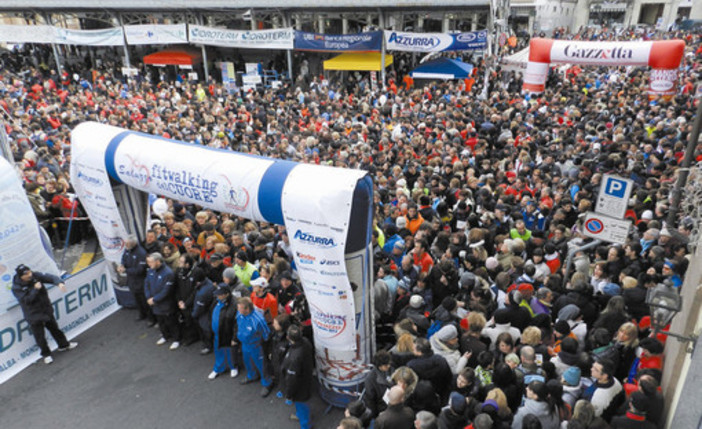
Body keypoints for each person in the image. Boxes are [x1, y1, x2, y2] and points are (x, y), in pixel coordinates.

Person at [12, 264, 77, 364]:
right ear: (21, 277)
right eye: (26, 274)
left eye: (29, 272)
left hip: (45, 310)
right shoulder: (16, 288)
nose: (30, 275)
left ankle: (64, 345)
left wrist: (59, 283)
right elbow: (27, 300)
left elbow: (50, 277)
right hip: (33, 314)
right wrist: (35, 289)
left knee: (55, 329)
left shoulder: (35, 275)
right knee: (40, 337)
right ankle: (46, 354)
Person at [236, 296, 273, 397]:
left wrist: (264, 347)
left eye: (240, 308)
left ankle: (267, 382)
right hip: (245, 344)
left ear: (247, 309)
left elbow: (266, 334)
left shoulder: (258, 320)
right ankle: (252, 375)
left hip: (256, 346)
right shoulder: (239, 314)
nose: (238, 310)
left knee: (262, 365)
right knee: (247, 361)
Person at [144, 252, 181, 350]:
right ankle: (165, 336)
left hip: (166, 304)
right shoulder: (150, 271)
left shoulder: (168, 273)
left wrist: (154, 299)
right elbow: (146, 284)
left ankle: (176, 339)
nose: (149, 264)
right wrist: (148, 297)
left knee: (171, 322)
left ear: (157, 261)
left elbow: (166, 291)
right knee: (161, 321)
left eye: (151, 262)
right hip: (155, 304)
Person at [282, 324, 314, 429]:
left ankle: (306, 425)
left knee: (301, 404)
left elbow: (292, 379)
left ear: (288, 338)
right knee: (302, 405)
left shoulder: (295, 357)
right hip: (306, 378)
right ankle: (300, 415)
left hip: (299, 386)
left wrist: (289, 394)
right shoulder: (306, 342)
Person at [118, 236, 154, 325]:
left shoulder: (141, 253)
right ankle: (142, 314)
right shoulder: (127, 249)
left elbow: (140, 270)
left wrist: (126, 270)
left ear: (133, 244)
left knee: (145, 301)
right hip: (132, 281)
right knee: (137, 299)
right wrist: (122, 265)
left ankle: (151, 319)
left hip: (140, 281)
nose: (125, 246)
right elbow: (123, 258)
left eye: (127, 244)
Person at [207, 285, 239, 380]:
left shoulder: (234, 304)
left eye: (220, 294)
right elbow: (210, 313)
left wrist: (234, 337)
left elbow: (236, 323)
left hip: (228, 333)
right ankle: (218, 368)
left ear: (226, 294)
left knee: (230, 351)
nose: (217, 296)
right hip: (217, 333)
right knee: (218, 350)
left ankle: (233, 366)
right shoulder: (216, 301)